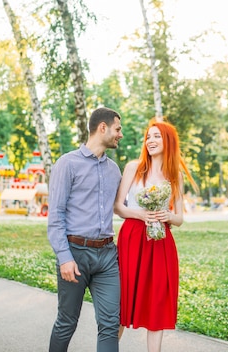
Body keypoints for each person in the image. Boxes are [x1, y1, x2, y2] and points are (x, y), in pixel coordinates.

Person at [114, 119, 197, 352]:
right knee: (122, 301)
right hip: (132, 239)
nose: (150, 141)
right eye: (148, 137)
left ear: (168, 140)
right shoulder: (133, 168)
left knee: (157, 301)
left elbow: (180, 218)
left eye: (156, 136)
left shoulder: (175, 176)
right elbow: (118, 207)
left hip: (161, 243)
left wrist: (167, 215)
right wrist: (142, 215)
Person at [47, 107, 124, 352]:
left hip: (107, 257)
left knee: (111, 323)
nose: (120, 135)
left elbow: (124, 207)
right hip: (75, 254)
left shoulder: (114, 170)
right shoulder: (67, 164)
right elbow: (56, 216)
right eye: (118, 129)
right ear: (103, 128)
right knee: (67, 322)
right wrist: (64, 258)